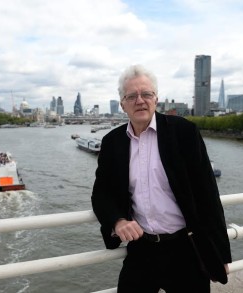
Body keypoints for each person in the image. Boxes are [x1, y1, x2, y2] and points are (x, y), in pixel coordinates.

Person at [91, 64, 231, 292]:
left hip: (187, 248)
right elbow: (101, 193)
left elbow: (208, 195)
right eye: (132, 96)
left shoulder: (184, 132)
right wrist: (118, 221)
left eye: (146, 94)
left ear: (156, 99)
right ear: (122, 104)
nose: (140, 100)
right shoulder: (112, 142)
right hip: (141, 249)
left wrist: (220, 254)